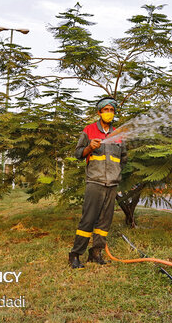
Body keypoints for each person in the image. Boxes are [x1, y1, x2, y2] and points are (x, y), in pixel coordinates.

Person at [68, 97, 127, 269]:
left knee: (105, 221)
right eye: (106, 110)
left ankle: (96, 253)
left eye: (111, 110)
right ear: (99, 112)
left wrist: (116, 173)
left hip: (112, 183)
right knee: (88, 219)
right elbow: (78, 153)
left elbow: (123, 159)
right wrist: (89, 148)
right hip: (95, 181)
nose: (109, 113)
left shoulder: (118, 135)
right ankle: (75, 254)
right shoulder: (89, 130)